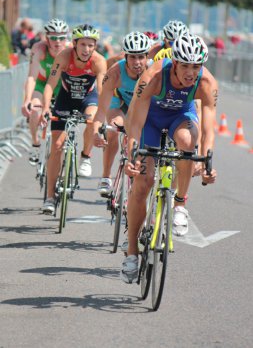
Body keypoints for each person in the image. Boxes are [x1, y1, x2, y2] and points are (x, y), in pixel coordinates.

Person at [120, 32, 218, 283]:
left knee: (187, 142)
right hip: (150, 121)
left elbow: (208, 124)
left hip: (180, 118)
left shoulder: (205, 81)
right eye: (185, 65)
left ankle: (181, 204)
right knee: (143, 184)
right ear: (174, 62)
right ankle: (131, 252)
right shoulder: (153, 75)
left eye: (196, 66)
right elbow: (136, 117)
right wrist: (132, 153)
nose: (190, 72)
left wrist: (207, 160)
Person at [41, 24, 107, 214]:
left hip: (89, 98)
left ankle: (85, 157)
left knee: (93, 120)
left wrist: (103, 117)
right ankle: (50, 196)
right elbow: (50, 84)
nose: (87, 49)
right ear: (75, 44)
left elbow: (102, 93)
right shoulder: (63, 56)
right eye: (83, 45)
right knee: (57, 146)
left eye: (91, 45)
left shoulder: (98, 61)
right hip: (66, 99)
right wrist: (46, 107)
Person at [93, 31, 152, 196]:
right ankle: (105, 176)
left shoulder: (154, 71)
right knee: (113, 130)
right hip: (120, 102)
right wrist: (96, 131)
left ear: (147, 56)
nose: (137, 62)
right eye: (132, 57)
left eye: (141, 57)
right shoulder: (114, 73)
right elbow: (101, 110)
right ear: (125, 56)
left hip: (143, 106)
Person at [21, 18, 70, 165]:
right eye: (53, 38)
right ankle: (35, 143)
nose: (57, 42)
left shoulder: (71, 50)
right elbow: (32, 77)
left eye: (61, 38)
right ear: (46, 38)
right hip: (42, 84)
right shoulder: (39, 49)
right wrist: (27, 100)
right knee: (35, 110)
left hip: (61, 85)